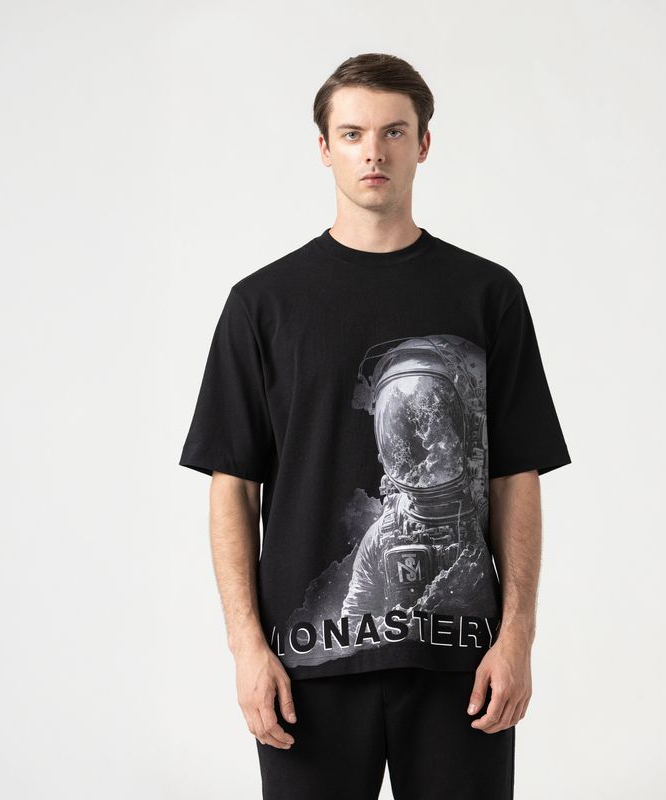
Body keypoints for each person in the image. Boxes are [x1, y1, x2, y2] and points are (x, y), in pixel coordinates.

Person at [179, 52, 571, 800]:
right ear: (324, 148)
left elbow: (515, 474)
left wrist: (518, 635)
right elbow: (232, 485)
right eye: (353, 133)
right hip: (306, 667)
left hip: (462, 664)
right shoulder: (263, 304)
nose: (374, 152)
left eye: (394, 131)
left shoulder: (487, 295)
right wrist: (246, 648)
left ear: (423, 143)